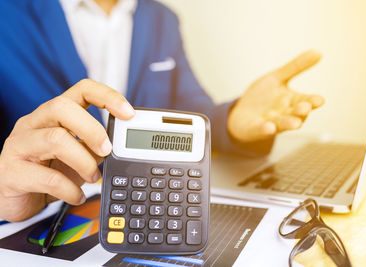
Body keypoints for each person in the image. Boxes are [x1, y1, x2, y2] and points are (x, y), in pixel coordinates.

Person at [0, 0, 324, 222]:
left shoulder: (161, 18)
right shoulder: (7, 13)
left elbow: (188, 112)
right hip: (33, 221)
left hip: (142, 212)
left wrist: (231, 122)